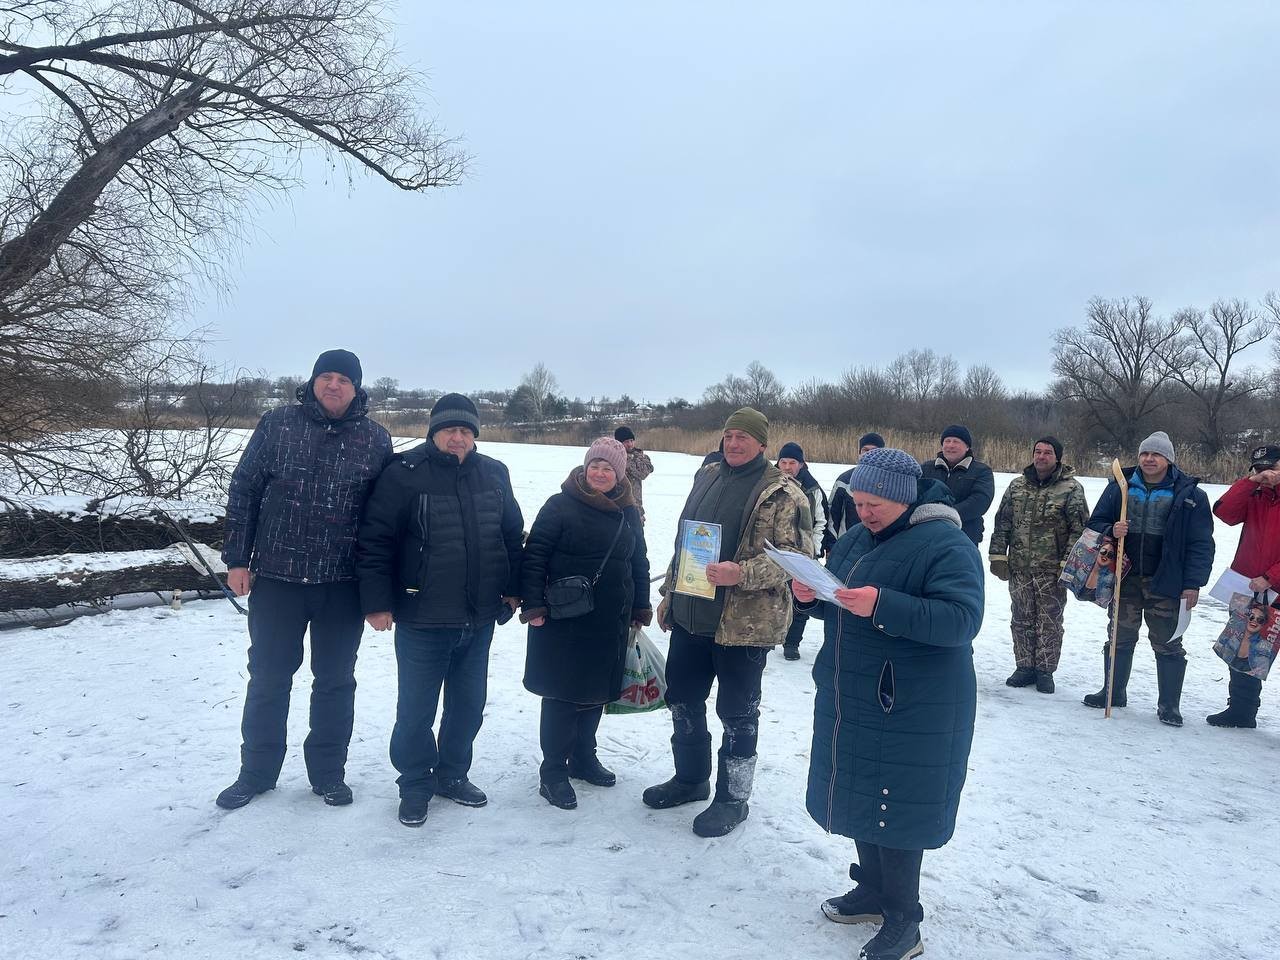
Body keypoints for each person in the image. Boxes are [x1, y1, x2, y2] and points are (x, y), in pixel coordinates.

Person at [792, 447, 983, 960]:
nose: (863, 511)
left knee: (895, 806)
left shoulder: (948, 544)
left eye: (874, 503)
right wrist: (811, 599)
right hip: (853, 690)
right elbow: (840, 602)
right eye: (857, 500)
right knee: (860, 796)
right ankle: (875, 891)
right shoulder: (855, 538)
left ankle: (905, 920)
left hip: (913, 703)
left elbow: (962, 620)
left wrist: (883, 604)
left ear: (903, 498)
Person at [216, 349, 393, 811]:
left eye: (344, 380)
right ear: (313, 382)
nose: (334, 385)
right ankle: (255, 772)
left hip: (341, 585)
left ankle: (328, 774)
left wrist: (379, 588)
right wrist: (238, 558)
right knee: (269, 679)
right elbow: (245, 491)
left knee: (335, 682)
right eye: (326, 377)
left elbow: (384, 518)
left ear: (357, 389)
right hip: (278, 579)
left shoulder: (375, 439)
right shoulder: (277, 425)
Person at [356, 392, 524, 826]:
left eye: (466, 430)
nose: (458, 437)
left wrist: (513, 588)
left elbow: (511, 535)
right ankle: (414, 782)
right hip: (422, 617)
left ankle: (452, 774)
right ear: (434, 432)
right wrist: (376, 602)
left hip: (479, 616)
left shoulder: (494, 473)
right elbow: (376, 540)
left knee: (468, 705)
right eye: (450, 429)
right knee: (416, 709)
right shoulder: (405, 473)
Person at [646, 407, 812, 837]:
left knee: (738, 714)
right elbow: (686, 538)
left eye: (744, 437)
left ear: (762, 444)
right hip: (691, 613)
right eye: (729, 435)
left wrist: (742, 573)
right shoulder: (708, 476)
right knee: (682, 698)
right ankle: (690, 779)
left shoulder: (784, 494)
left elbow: (798, 561)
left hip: (743, 625)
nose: (734, 443)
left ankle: (733, 799)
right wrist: (669, 595)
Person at [520, 437, 651, 809]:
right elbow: (535, 557)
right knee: (562, 695)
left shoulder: (628, 510)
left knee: (595, 692)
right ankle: (553, 771)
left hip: (609, 619)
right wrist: (533, 606)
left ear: (619, 473)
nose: (599, 472)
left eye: (608, 468)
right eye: (595, 465)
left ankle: (582, 758)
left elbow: (638, 561)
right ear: (585, 467)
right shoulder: (560, 505)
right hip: (564, 618)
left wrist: (640, 606)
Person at [1081, 431, 1214, 726]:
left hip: (1166, 581)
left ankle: (1169, 705)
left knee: (1167, 642)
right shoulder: (1120, 488)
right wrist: (1111, 529)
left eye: (1156, 454)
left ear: (1168, 459)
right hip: (1125, 578)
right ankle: (1113, 692)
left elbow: (1201, 543)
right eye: (1144, 454)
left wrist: (1193, 583)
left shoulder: (1191, 496)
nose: (1149, 459)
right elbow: (1096, 522)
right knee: (1119, 636)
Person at [987, 436, 1089, 694]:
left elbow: (1079, 529)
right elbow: (1003, 523)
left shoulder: (1071, 489)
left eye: (1047, 453)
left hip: (1052, 569)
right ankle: (1024, 667)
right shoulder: (1016, 486)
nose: (1041, 456)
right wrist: (998, 555)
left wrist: (1069, 563)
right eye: (1038, 451)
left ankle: (1045, 670)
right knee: (1021, 618)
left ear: (1057, 458)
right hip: (1020, 566)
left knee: (1049, 621)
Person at [1206, 443, 1280, 728]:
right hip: (1248, 587)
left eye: (1271, 468)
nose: (1266, 475)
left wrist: (1272, 576)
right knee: (1242, 647)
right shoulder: (1255, 494)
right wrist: (1250, 482)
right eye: (1260, 469)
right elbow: (1225, 513)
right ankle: (1242, 710)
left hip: (1272, 584)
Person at [776, 441, 833, 661]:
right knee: (773, 595)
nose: (788, 466)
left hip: (801, 554)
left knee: (801, 598)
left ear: (801, 464)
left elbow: (821, 522)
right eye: (784, 462)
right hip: (773, 551)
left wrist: (813, 550)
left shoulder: (812, 488)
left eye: (793, 462)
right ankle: (771, 636)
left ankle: (792, 643)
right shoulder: (769, 482)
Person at [919, 425, 995, 547]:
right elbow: (916, 495)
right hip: (928, 535)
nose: (950, 445)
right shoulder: (926, 468)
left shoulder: (981, 471)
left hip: (965, 537)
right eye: (947, 441)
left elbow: (980, 501)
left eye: (956, 441)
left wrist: (947, 514)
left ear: (967, 447)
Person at [829, 433, 885, 539]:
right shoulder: (844, 480)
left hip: (879, 544)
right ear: (859, 453)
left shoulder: (890, 482)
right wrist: (831, 544)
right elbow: (833, 514)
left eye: (875, 450)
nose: (869, 454)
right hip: (847, 544)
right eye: (865, 450)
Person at [614, 426, 655, 521]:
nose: (630, 444)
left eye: (631, 440)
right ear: (619, 443)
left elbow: (643, 473)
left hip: (636, 508)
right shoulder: (613, 457)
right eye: (626, 442)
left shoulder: (640, 456)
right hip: (618, 507)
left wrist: (630, 457)